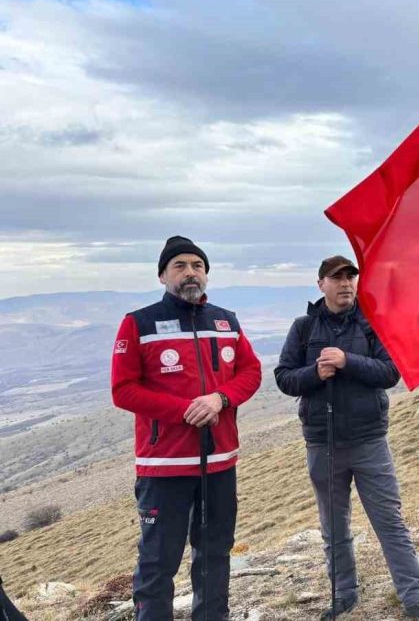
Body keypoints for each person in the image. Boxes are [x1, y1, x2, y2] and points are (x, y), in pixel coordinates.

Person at [274, 256, 419, 621]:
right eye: (337, 278)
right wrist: (316, 373)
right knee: (333, 526)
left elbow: (390, 371)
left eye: (351, 277)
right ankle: (344, 595)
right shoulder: (303, 328)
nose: (346, 283)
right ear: (321, 284)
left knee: (389, 521)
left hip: (369, 441)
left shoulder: (372, 325)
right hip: (322, 442)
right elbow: (285, 378)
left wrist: (347, 360)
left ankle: (413, 595)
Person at [111, 236, 262, 620]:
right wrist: (185, 410)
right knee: (158, 563)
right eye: (180, 265)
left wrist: (220, 399)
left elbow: (251, 371)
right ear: (163, 275)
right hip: (164, 466)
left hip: (220, 462)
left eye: (198, 265)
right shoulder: (137, 323)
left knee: (214, 555)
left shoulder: (226, 320)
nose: (190, 272)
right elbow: (123, 390)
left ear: (206, 274)